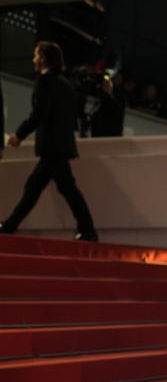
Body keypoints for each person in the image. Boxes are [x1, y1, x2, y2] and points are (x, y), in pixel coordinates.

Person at [1, 42, 98, 241]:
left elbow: (39, 113)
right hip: (60, 145)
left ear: (43, 58)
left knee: (62, 188)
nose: (33, 60)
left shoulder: (45, 82)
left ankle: (88, 230)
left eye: (36, 56)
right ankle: (9, 226)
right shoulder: (65, 85)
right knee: (35, 188)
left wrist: (19, 134)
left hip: (51, 146)